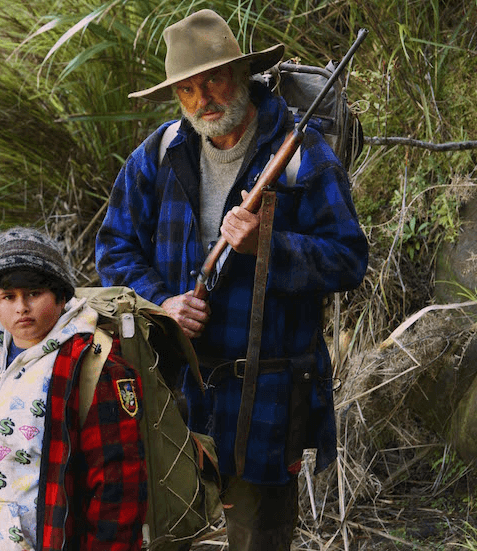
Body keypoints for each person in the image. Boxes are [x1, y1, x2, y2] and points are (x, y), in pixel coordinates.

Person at [95, 9, 368, 551]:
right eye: (188, 89)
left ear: (242, 74)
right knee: (168, 534)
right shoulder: (159, 154)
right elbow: (114, 248)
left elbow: (348, 259)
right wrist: (162, 304)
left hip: (266, 397)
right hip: (178, 391)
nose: (203, 99)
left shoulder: (301, 153)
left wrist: (269, 244)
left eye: (214, 79)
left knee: (258, 541)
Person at [0, 227, 147, 551]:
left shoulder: (92, 366)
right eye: (8, 296)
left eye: (34, 293)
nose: (21, 307)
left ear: (60, 295)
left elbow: (118, 484)